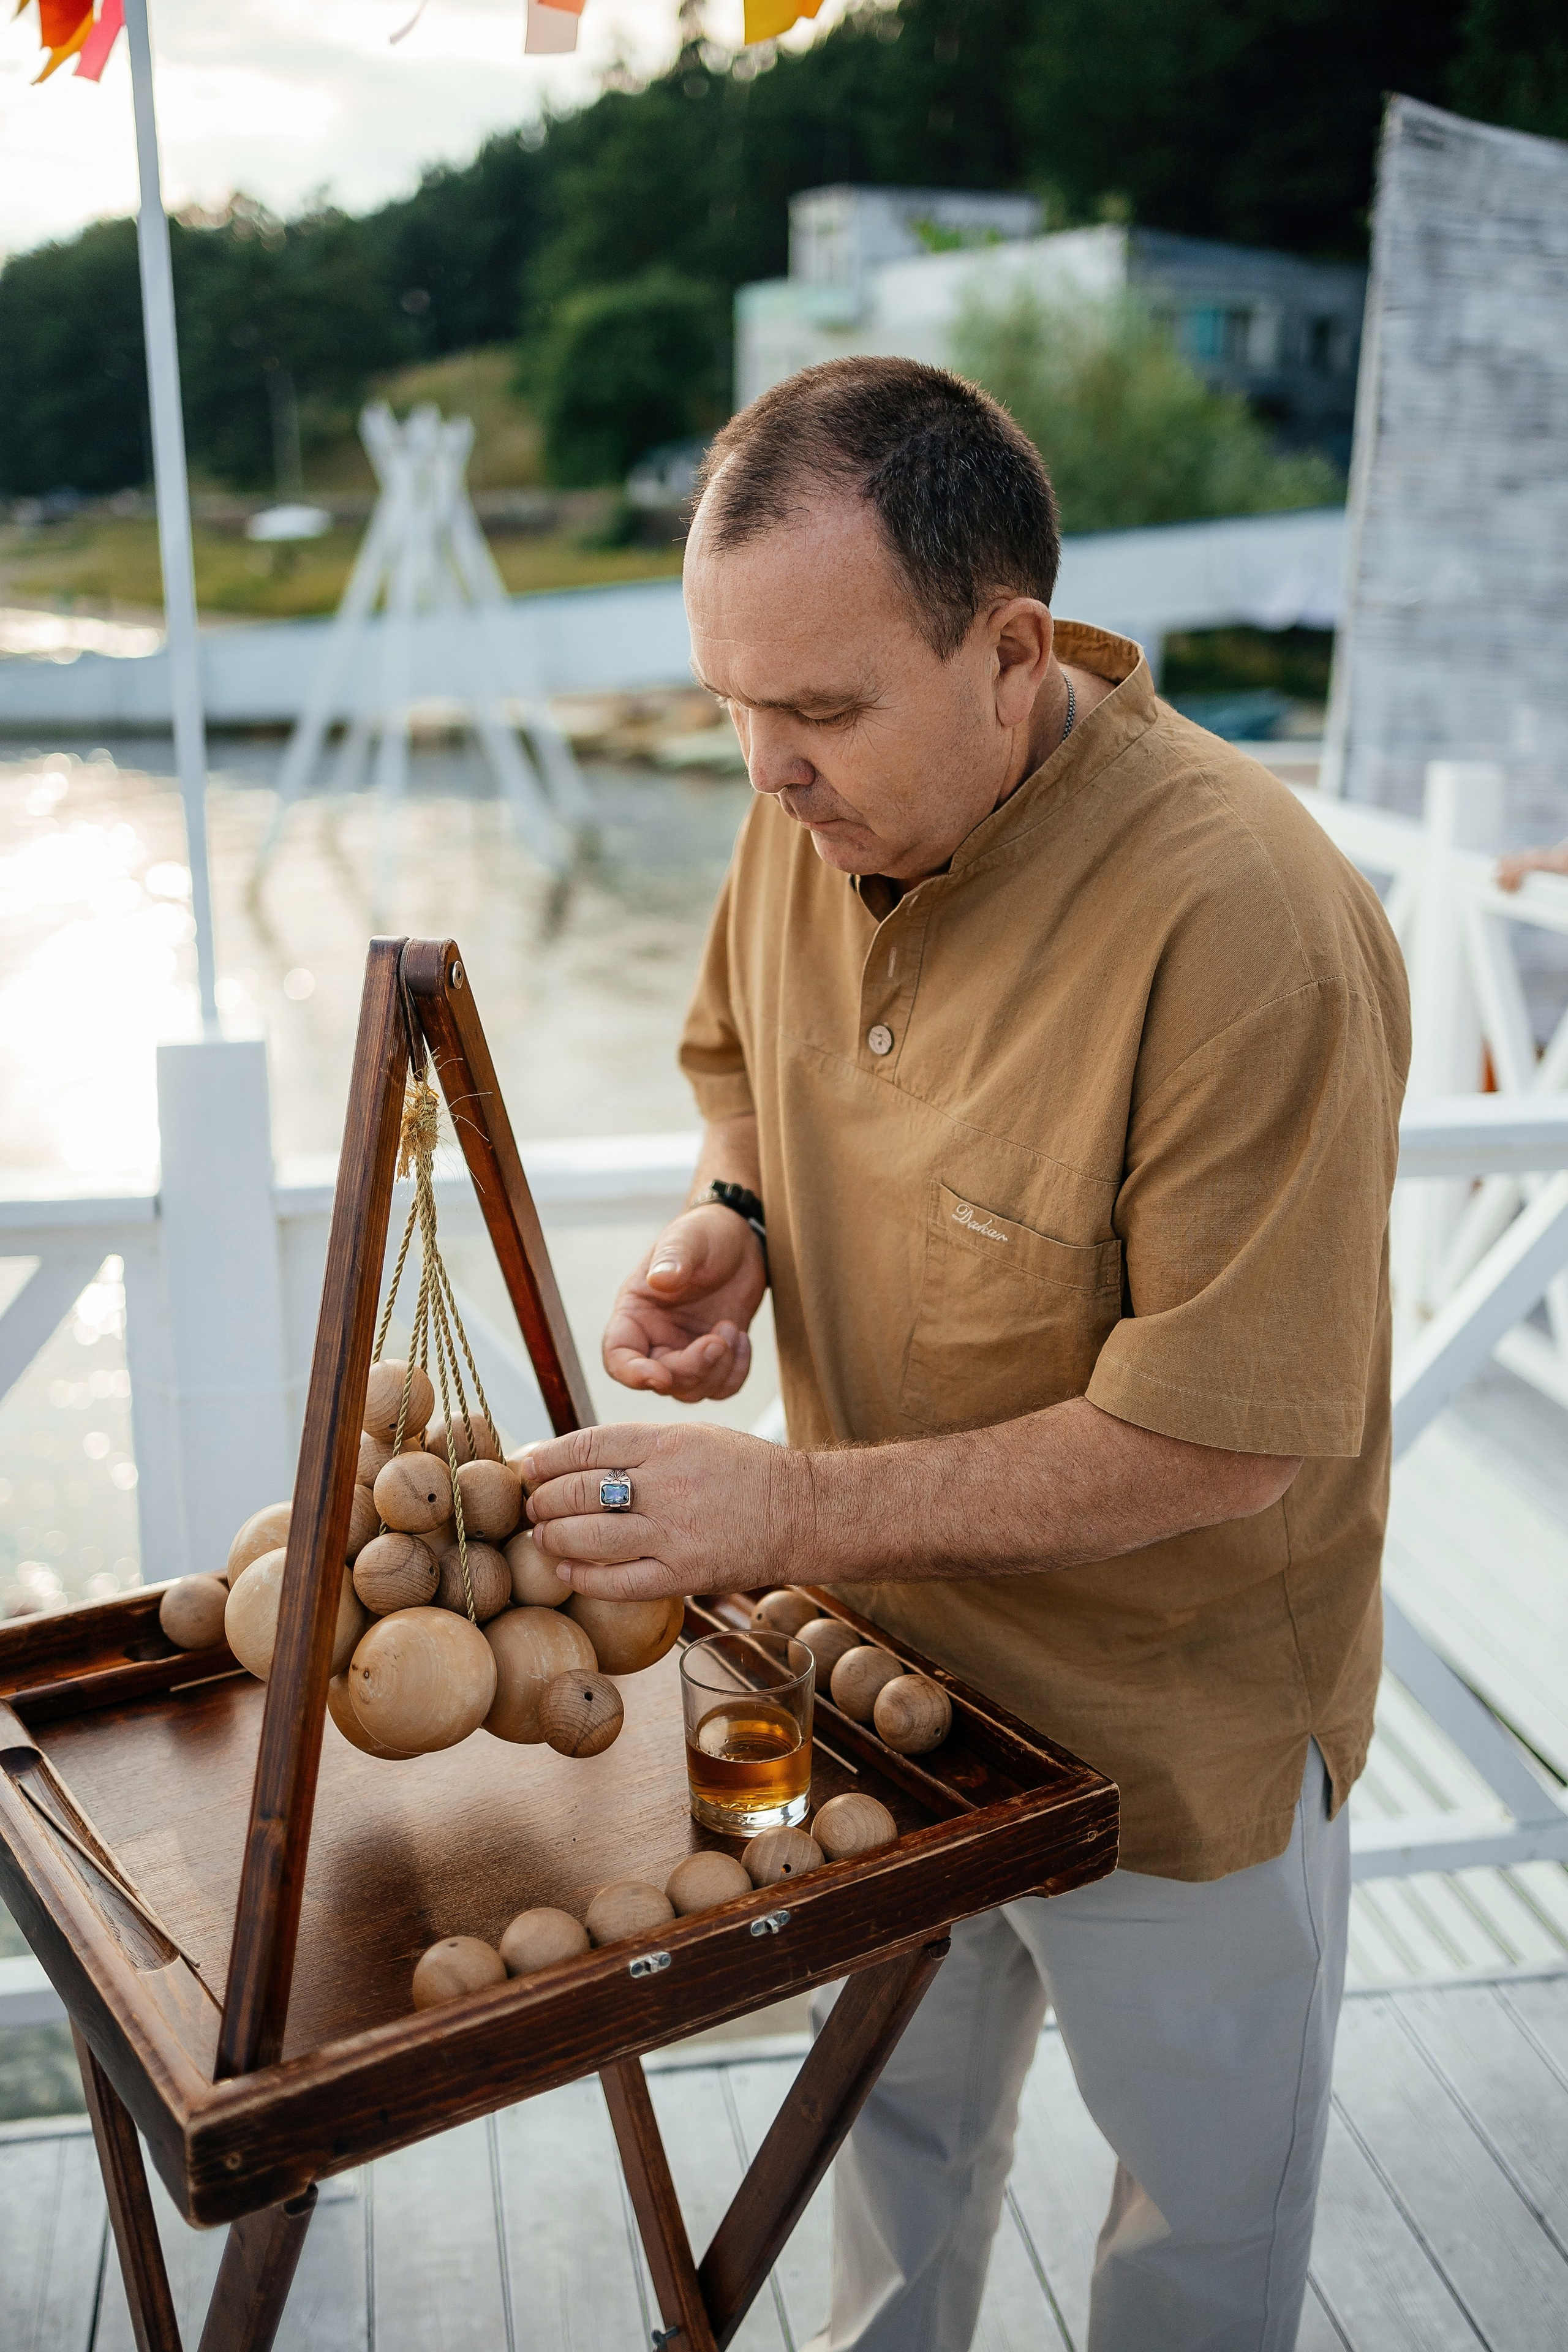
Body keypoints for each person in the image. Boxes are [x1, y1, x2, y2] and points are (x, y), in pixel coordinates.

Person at [518, 356, 1410, 2352]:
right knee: (894, 2172)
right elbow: (741, 1064)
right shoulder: (807, 807)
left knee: (1196, 2239)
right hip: (882, 1691)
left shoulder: (1250, 919)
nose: (767, 770)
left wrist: (782, 1504)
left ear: (1013, 656)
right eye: (732, 705)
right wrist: (731, 1228)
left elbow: (1219, 1445)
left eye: (819, 709)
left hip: (1173, 1738)